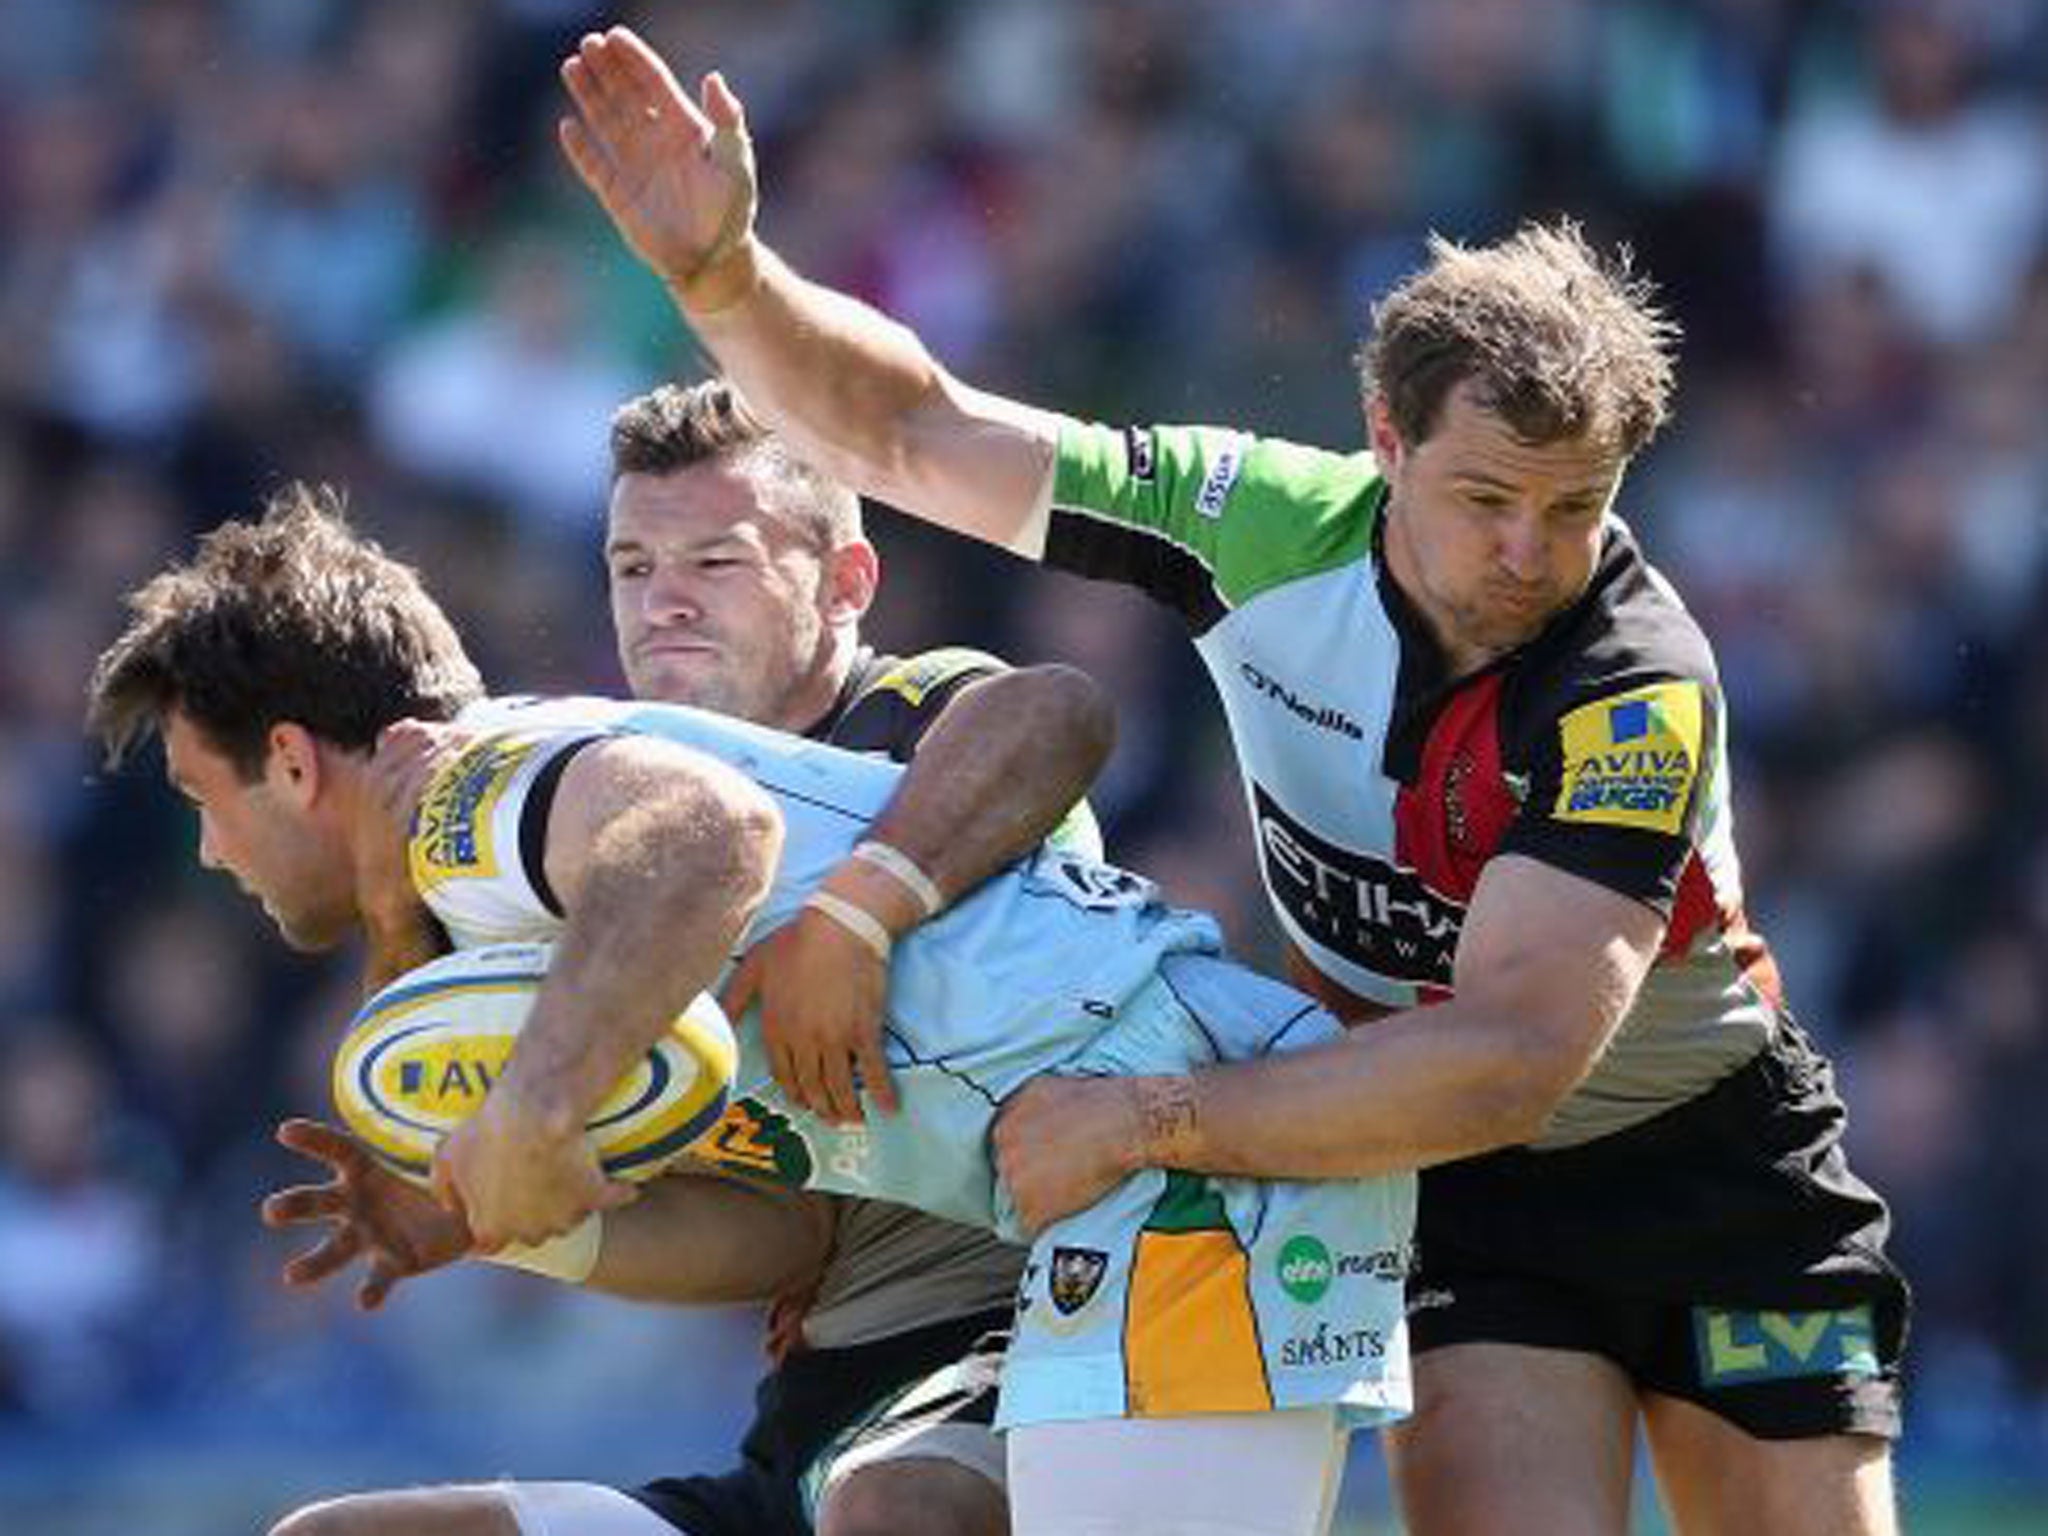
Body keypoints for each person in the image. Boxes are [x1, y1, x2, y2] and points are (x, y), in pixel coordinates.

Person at [551, 26, 1909, 1535]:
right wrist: (729, 283)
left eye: (1573, 508)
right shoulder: (1253, 526)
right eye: (1484, 500)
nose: (1528, 551)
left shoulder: (1633, 685)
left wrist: (1147, 1122)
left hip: (1707, 1156)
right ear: (1386, 442)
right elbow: (920, 427)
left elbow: (1521, 1048)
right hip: (1425, 1160)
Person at [88, 489, 1416, 1536]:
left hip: (1209, 1161)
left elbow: (710, 834)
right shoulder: (511, 921)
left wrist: (539, 1108)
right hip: (1136, 1182)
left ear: (291, 762)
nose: (212, 853)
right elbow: (782, 1222)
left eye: (205, 803)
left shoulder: (468, 792)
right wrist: (495, 1211)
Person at [263, 377, 1115, 1536]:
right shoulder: (616, 834)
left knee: (895, 1512)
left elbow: (1052, 715)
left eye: (713, 563)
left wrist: (855, 917)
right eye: (630, 567)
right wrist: (496, 1199)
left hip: (1023, 1341)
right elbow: (778, 1229)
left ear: (847, 584)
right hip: (817, 1417)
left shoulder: (916, 722)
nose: (661, 602)